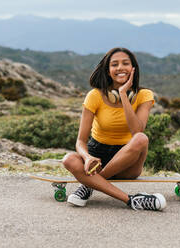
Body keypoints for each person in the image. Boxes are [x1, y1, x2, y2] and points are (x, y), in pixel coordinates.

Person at [62, 47, 166, 211]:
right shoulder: (95, 96)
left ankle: (89, 186)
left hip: (128, 160)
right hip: (97, 159)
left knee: (141, 138)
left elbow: (136, 131)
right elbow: (80, 141)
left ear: (133, 68)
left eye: (125, 63)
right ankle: (131, 200)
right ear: (108, 70)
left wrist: (123, 94)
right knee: (69, 159)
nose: (120, 68)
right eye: (114, 64)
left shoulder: (144, 95)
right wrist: (87, 157)